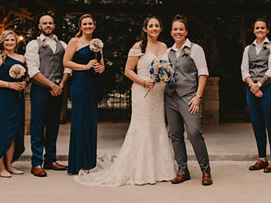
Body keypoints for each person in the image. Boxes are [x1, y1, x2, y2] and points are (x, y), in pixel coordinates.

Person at [76, 16, 176, 186]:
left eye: (156, 26)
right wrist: (143, 82)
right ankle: (140, 170)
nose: (154, 28)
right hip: (142, 90)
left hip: (158, 93)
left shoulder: (165, 46)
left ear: (160, 29)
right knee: (142, 127)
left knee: (157, 126)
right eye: (150, 26)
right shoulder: (138, 46)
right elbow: (128, 71)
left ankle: (161, 169)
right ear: (145, 29)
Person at [165, 15, 213, 186]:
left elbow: (203, 73)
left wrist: (198, 97)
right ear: (171, 32)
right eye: (175, 29)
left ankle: (206, 171)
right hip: (170, 97)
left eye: (181, 29)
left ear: (186, 32)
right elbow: (162, 73)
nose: (178, 32)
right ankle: (182, 170)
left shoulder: (195, 49)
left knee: (193, 132)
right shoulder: (167, 52)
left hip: (189, 97)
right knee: (175, 134)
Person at [25, 14, 71, 177]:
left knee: (53, 125)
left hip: (58, 88)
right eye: (44, 23)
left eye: (50, 23)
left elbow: (67, 67)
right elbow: (33, 70)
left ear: (54, 25)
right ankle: (36, 162)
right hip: (40, 89)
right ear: (39, 26)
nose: (48, 25)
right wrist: (51, 85)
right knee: (38, 126)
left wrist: (61, 85)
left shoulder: (63, 45)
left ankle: (50, 160)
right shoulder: (33, 44)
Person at [63, 14, 105, 175]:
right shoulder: (75, 42)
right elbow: (66, 62)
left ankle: (89, 162)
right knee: (80, 120)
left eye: (90, 23)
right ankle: (77, 162)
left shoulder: (97, 43)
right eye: (84, 24)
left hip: (93, 84)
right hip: (80, 83)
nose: (88, 26)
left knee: (91, 121)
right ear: (80, 26)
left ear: (94, 26)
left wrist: (99, 69)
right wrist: (85, 66)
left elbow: (103, 65)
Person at [241, 18, 271, 173]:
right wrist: (252, 85)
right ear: (253, 30)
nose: (259, 30)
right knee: (257, 124)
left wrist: (259, 84)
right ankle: (262, 158)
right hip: (252, 89)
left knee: (270, 123)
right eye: (257, 28)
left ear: (267, 30)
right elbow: (244, 69)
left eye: (262, 28)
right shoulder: (247, 49)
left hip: (268, 88)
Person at [0, 30, 27, 178]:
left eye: (12, 40)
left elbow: (26, 77)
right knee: (1, 132)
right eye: (7, 40)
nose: (10, 42)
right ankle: (0, 166)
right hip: (1, 98)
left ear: (16, 42)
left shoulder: (22, 58)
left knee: (13, 132)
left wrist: (23, 83)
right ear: (2, 42)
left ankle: (9, 165)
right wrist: (9, 85)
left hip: (17, 99)